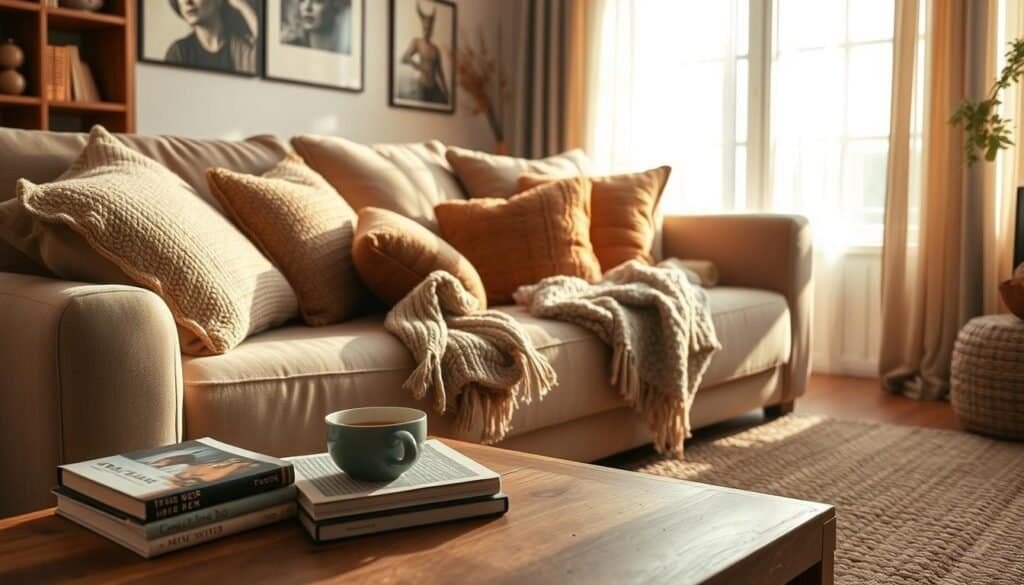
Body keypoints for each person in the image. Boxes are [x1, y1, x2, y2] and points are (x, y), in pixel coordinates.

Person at [165, 0, 259, 74]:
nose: (187, 1)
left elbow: (268, 56)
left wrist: (243, 7)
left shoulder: (244, 47)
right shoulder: (179, 52)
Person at [400, 1, 449, 104]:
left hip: (434, 85)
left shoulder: (435, 49)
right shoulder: (417, 42)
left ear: (432, 29)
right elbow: (404, 58)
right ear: (422, 27)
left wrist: (446, 90)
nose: (427, 30)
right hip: (422, 85)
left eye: (430, 28)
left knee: (444, 102)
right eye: (425, 27)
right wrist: (418, 66)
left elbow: (440, 71)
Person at [281, 0, 351, 54]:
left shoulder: (346, 50)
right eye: (302, 0)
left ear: (335, 7)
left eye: (317, 1)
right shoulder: (291, 47)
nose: (307, 7)